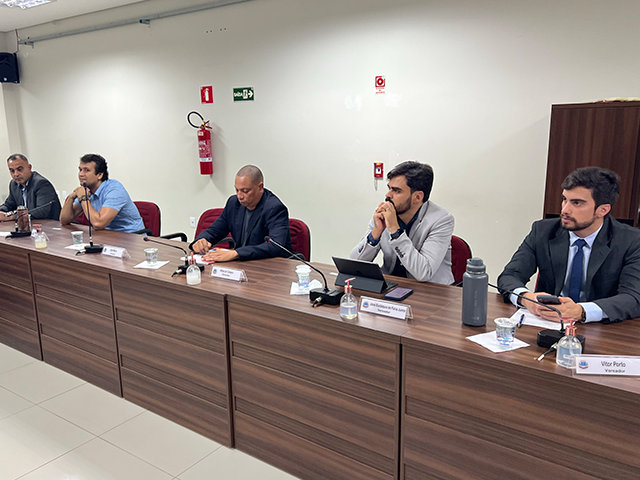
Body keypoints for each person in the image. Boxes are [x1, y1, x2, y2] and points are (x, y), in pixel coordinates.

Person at [498, 167, 640, 323]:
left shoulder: (631, 241)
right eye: (565, 199)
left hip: (601, 328)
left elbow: (633, 298)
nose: (565, 210)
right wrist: (526, 298)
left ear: (602, 210)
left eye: (577, 203)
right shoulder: (543, 231)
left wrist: (581, 311)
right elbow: (509, 276)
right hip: (547, 322)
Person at [350, 161, 454, 284]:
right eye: (389, 188)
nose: (388, 194)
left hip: (431, 290)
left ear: (418, 197)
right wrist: (376, 232)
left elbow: (423, 273)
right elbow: (354, 265)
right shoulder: (383, 214)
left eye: (396, 190)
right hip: (391, 286)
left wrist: (396, 231)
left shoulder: (441, 220)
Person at [190, 165, 292, 262]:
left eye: (245, 191)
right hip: (241, 264)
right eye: (237, 190)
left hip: (268, 265)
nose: (240, 196)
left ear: (260, 187)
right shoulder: (233, 203)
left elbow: (276, 246)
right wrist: (201, 240)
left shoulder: (275, 208)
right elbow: (215, 230)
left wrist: (236, 253)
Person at [59, 153, 144, 233]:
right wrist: (71, 197)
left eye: (87, 170)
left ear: (99, 175)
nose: (81, 174)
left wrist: (83, 198)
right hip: (107, 236)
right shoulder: (87, 190)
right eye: (80, 170)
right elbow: (64, 220)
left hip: (131, 237)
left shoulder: (114, 189)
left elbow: (98, 224)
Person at [0, 154, 61, 221]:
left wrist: (12, 217)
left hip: (49, 224)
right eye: (12, 171)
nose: (16, 174)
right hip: (28, 224)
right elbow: (9, 205)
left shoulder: (41, 183)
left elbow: (42, 211)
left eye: (19, 169)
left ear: (29, 167)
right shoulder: (14, 184)